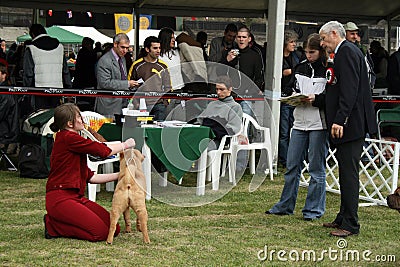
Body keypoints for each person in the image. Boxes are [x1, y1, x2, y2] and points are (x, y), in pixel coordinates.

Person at [44, 103, 136, 241]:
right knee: (101, 233)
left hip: (75, 197)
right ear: (70, 123)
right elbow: (102, 151)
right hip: (61, 198)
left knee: (114, 228)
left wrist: (121, 175)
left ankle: (58, 222)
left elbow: (91, 176)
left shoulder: (72, 141)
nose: (82, 119)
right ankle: (53, 226)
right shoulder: (68, 137)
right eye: (79, 117)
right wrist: (125, 145)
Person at [319, 21, 377, 237]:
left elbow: (350, 90)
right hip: (349, 122)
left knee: (349, 173)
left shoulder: (347, 52)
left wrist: (340, 119)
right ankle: (343, 216)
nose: (323, 43)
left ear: (335, 33)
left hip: (352, 123)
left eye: (324, 38)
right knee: (344, 171)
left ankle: (351, 223)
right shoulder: (345, 52)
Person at [266, 33, 329, 220]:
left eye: (313, 52)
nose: (309, 55)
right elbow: (290, 87)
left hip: (319, 123)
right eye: (307, 52)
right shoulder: (300, 67)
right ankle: (285, 205)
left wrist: (317, 99)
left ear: (321, 51)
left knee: (316, 169)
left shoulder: (328, 69)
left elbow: (332, 97)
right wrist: (291, 96)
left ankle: (313, 210)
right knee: (292, 166)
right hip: (300, 123)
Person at [23, 24, 72, 110]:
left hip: (39, 90)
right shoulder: (60, 47)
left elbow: (28, 73)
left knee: (40, 116)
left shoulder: (31, 48)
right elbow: (65, 71)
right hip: (57, 89)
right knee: (55, 116)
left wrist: (26, 90)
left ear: (33, 34)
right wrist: (68, 87)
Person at [128, 36, 172, 121]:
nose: (158, 50)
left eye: (159, 48)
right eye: (155, 48)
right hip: (140, 105)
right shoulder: (136, 65)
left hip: (159, 105)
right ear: (147, 49)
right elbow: (130, 85)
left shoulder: (163, 66)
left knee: (158, 132)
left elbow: (168, 87)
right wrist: (135, 103)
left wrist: (165, 102)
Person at [95, 33, 140, 117]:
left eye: (127, 48)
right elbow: (104, 83)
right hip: (108, 106)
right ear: (115, 44)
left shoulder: (122, 58)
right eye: (122, 47)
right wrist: (127, 84)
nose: (125, 51)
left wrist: (130, 85)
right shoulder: (105, 60)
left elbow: (122, 77)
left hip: (122, 102)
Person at [197, 75, 243, 149]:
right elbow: (199, 121)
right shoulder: (212, 104)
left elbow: (232, 129)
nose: (218, 92)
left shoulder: (235, 107)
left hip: (219, 140)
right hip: (203, 136)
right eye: (217, 89)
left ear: (230, 89)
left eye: (222, 89)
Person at [278, 30, 302, 168]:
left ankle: (294, 158)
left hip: (294, 96)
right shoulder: (278, 57)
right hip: (282, 96)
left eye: (294, 42)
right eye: (291, 42)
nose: (294, 44)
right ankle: (285, 159)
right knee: (284, 131)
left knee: (294, 130)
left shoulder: (296, 56)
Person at [343, 22, 375, 89]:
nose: (355, 36)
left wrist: (371, 82)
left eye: (356, 34)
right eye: (352, 34)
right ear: (344, 34)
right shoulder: (342, 50)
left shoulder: (362, 49)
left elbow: (370, 67)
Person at [73, 37, 97, 110]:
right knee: (88, 104)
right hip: (89, 82)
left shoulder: (82, 53)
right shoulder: (91, 54)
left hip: (81, 82)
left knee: (81, 103)